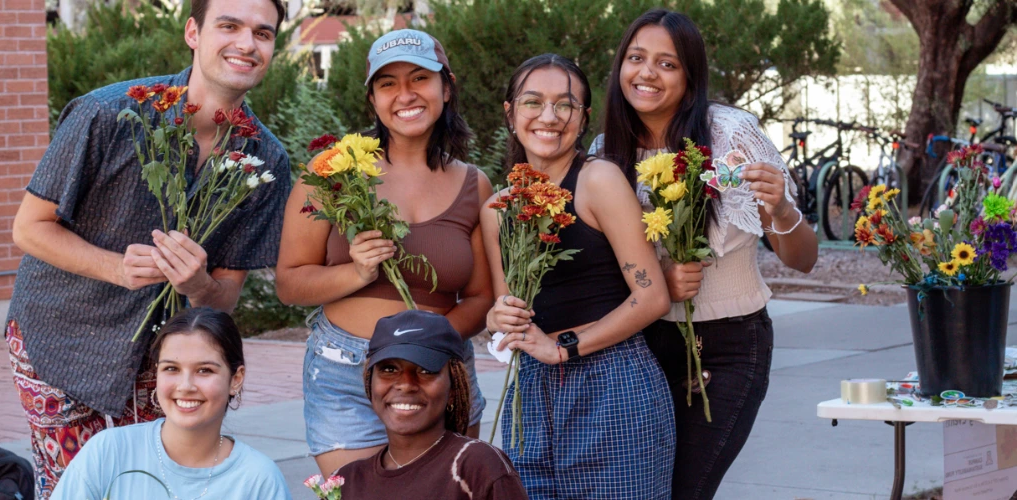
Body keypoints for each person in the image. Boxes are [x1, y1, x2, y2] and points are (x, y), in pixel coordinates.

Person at [6, 0, 290, 496]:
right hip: (62, 340)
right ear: (192, 32)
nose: (247, 43)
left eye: (262, 33)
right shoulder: (107, 113)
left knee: (157, 485)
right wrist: (118, 268)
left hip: (165, 359)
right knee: (73, 487)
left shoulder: (265, 159)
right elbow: (29, 229)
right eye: (229, 26)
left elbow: (224, 298)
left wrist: (198, 284)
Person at [592, 10, 818, 500]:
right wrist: (657, 279)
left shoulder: (731, 134)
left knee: (685, 491)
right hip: (639, 349)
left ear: (691, 79)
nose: (647, 73)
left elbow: (803, 258)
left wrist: (778, 206)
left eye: (667, 64)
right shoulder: (604, 153)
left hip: (727, 346)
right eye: (636, 58)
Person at [275, 28, 494, 478]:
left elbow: (480, 298)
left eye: (420, 78)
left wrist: (425, 344)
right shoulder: (331, 175)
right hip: (345, 373)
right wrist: (356, 272)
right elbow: (290, 283)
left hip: (441, 369)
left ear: (446, 87)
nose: (405, 94)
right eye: (388, 83)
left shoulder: (474, 184)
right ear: (372, 99)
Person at [483, 54, 675, 499]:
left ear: (583, 118)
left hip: (614, 386)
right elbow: (505, 312)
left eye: (565, 105)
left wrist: (563, 349)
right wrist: (500, 319)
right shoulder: (497, 209)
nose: (549, 117)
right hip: (530, 396)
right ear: (510, 112)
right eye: (532, 102)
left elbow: (652, 298)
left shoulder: (598, 180)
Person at [49, 308, 291, 500]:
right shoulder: (109, 452)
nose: (185, 385)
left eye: (204, 370)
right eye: (171, 369)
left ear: (235, 380)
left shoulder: (258, 479)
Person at [332, 310, 528, 499]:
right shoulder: (346, 481)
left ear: (454, 386)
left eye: (426, 370)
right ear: (369, 382)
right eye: (389, 369)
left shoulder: (477, 466)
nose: (406, 384)